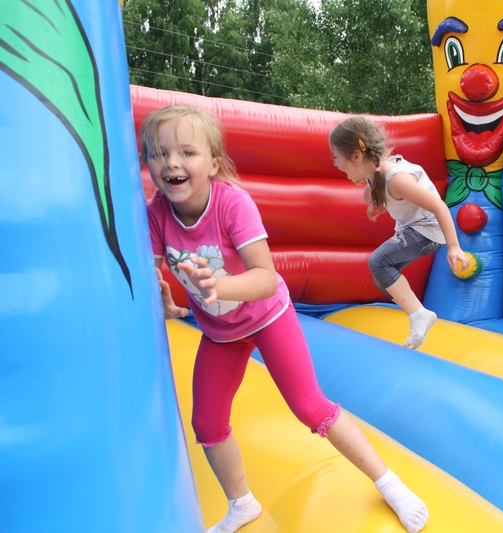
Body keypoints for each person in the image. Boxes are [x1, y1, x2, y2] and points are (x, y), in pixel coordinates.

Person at [141, 105, 428, 533]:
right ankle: (242, 504)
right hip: (220, 333)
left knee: (311, 408)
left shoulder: (231, 204)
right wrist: (160, 298)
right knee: (207, 423)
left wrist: (219, 286)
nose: (171, 163)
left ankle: (390, 484)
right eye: (159, 154)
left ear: (214, 163)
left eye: (187, 152)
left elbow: (263, 278)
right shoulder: (156, 213)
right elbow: (150, 272)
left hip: (267, 316)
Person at [329, 116, 470, 350]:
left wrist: (454, 247)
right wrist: (371, 192)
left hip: (428, 230)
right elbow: (376, 184)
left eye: (336, 157)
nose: (335, 163)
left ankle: (419, 314)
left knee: (379, 261)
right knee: (382, 278)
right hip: (412, 227)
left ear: (356, 156)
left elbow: (439, 206)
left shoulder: (397, 179)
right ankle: (417, 313)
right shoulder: (373, 170)